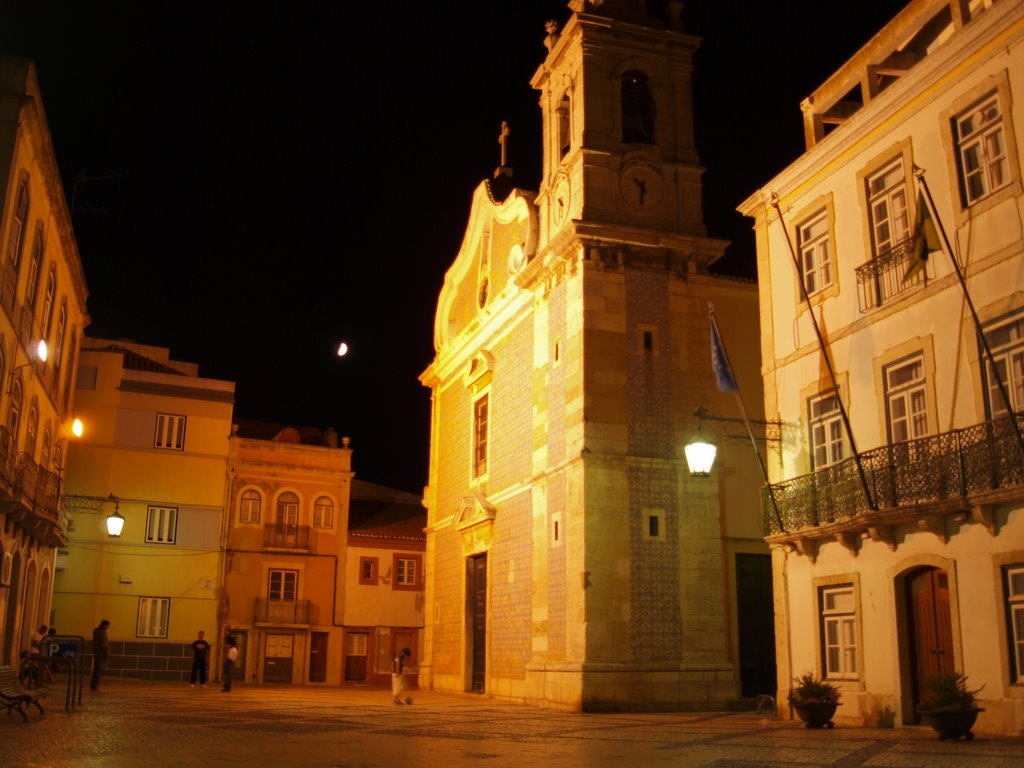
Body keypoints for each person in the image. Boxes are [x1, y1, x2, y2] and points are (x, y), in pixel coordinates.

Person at [90, 619, 110, 691]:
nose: (108, 628)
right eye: (107, 626)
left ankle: (93, 684)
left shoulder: (95, 631)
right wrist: (107, 654)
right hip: (101, 655)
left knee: (96, 670)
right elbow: (104, 645)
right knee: (99, 670)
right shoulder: (102, 633)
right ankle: (95, 685)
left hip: (97, 653)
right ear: (104, 625)